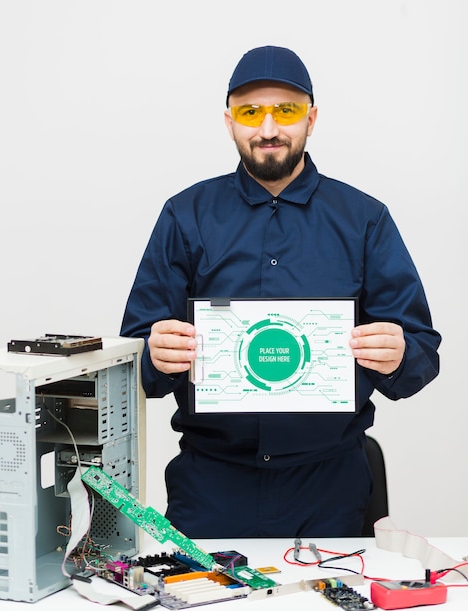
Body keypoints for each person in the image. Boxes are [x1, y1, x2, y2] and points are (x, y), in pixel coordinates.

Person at [120, 45, 441, 539]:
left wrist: (400, 353)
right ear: (230, 122)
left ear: (311, 119)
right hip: (209, 488)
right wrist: (152, 354)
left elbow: (422, 352)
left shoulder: (364, 220)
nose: (268, 130)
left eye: (285, 111)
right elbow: (134, 357)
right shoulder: (185, 216)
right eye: (251, 112)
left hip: (330, 490)